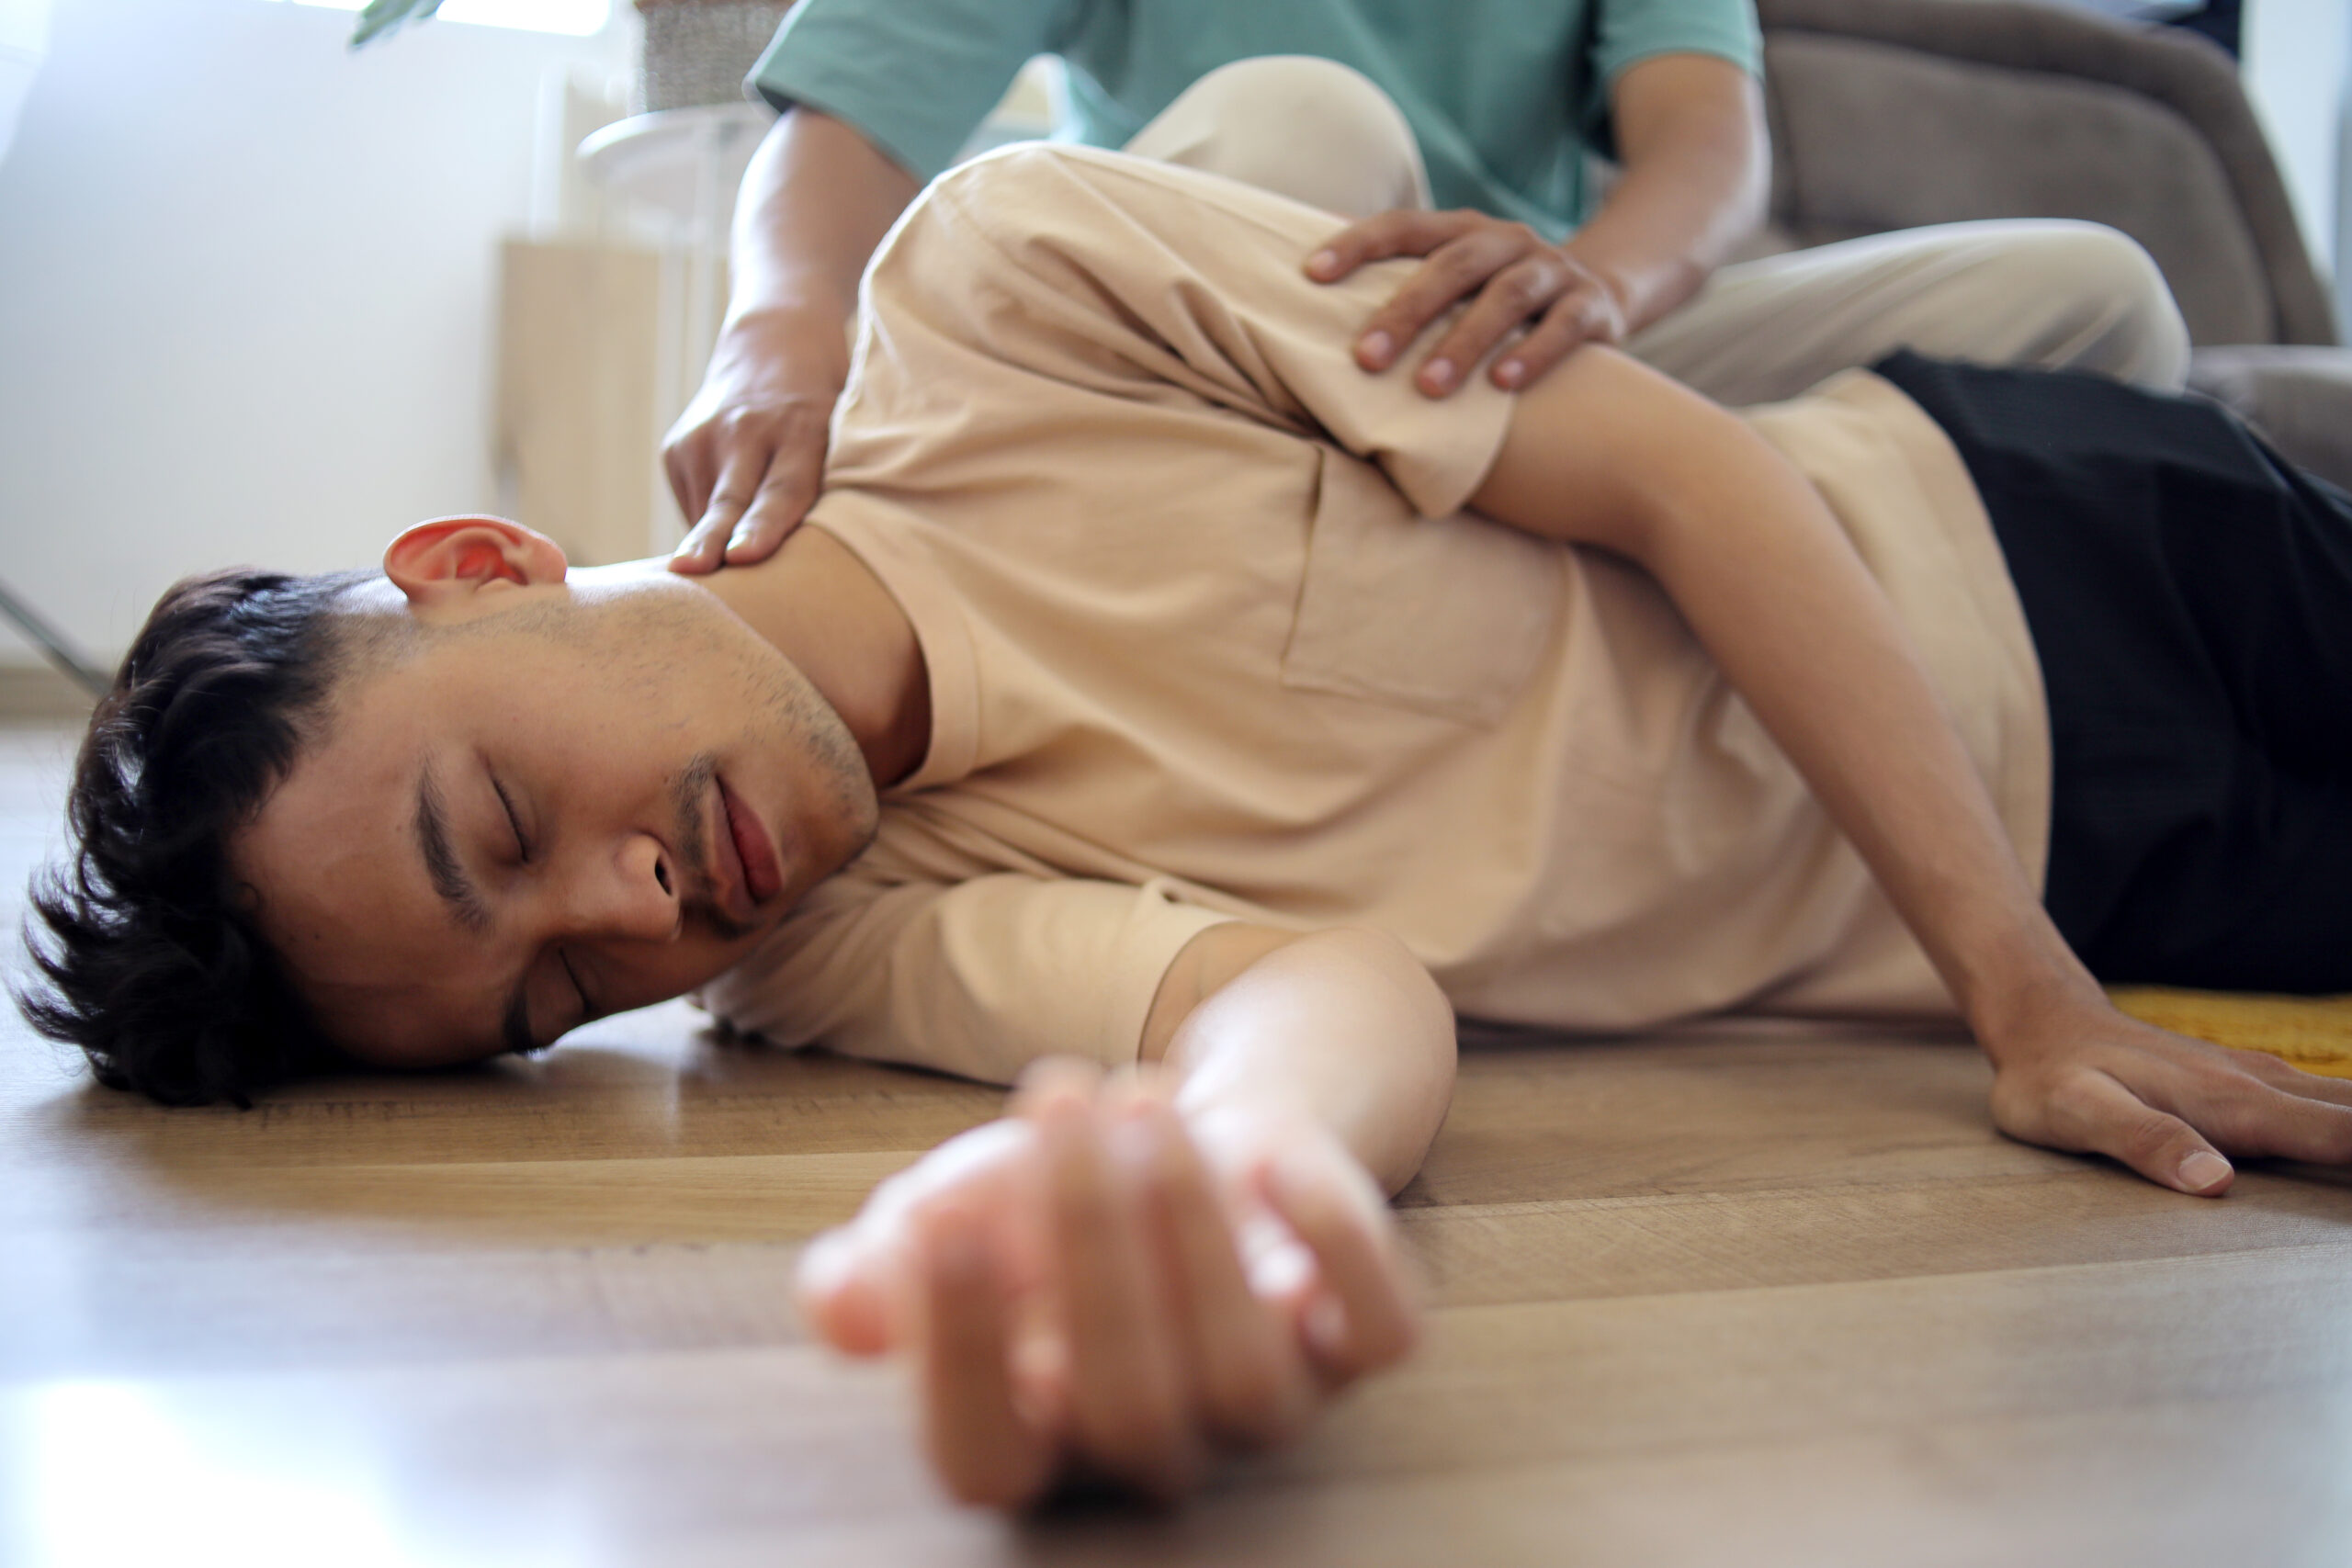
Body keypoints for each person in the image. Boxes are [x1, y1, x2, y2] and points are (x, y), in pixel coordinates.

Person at [22, 145, 2349, 1509]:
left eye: (498, 824)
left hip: (2030, 538)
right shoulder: (824, 950)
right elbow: (1312, 998)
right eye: (541, 998)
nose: (623, 911)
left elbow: (1670, 464)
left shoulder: (1002, 287)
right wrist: (1247, 1175)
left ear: (475, 565)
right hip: (2116, 868)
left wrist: (2015, 989)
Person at [659, 14, 2190, 574]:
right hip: (1205, 378)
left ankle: (1667, 562)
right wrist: (771, 343)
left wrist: (1596, 280)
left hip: (1525, 346)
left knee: (2100, 294)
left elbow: (1707, 141)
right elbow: (843, 131)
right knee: (1307, 123)